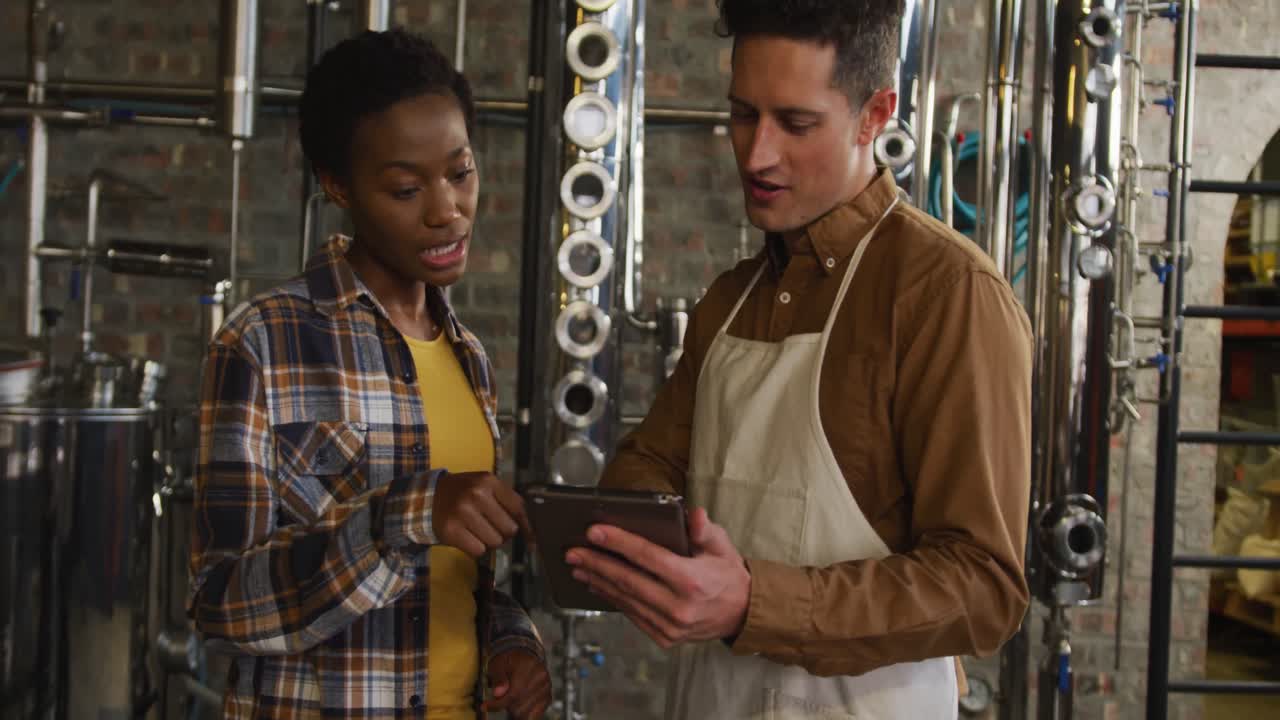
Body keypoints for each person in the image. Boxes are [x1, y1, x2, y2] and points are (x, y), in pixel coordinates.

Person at [568, 1, 1033, 717]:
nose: (756, 155)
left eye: (796, 123)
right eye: (743, 115)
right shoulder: (731, 297)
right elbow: (654, 462)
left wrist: (755, 602)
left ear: (876, 115)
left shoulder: (947, 294)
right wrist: (622, 535)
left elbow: (983, 588)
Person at [189, 29, 550, 720]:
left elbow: (452, 581)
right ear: (337, 185)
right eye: (407, 188)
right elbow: (221, 604)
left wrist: (511, 640)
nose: (447, 209)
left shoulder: (467, 356)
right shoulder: (263, 341)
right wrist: (402, 518)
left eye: (461, 171)